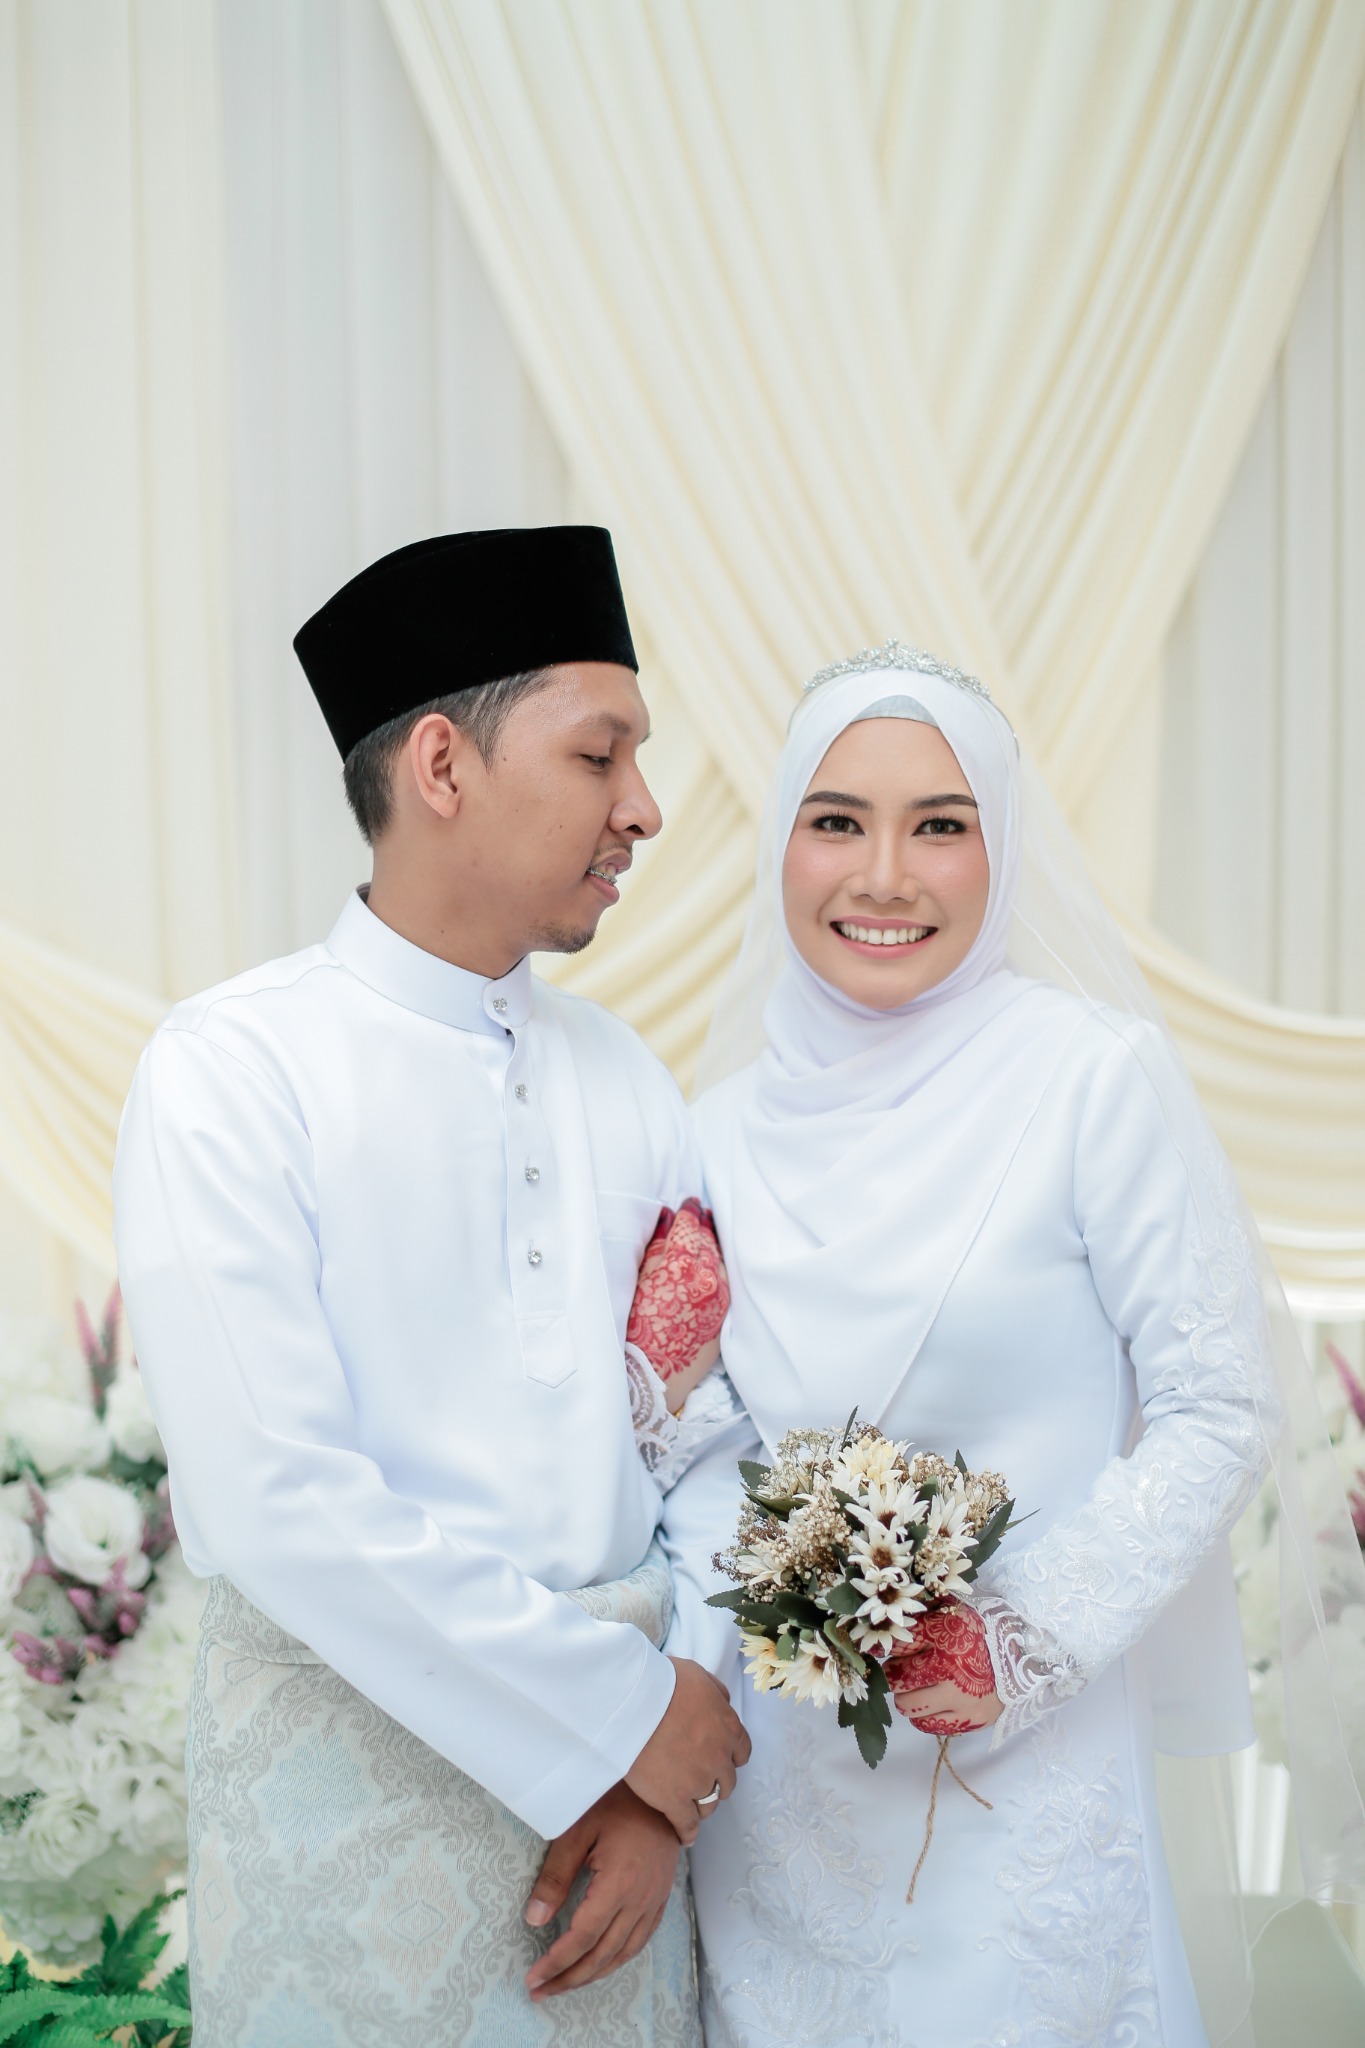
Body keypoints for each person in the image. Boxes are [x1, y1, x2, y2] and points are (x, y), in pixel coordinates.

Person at [658, 646, 1365, 2048]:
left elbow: (1222, 1402)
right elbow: (701, 1451)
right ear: (782, 839)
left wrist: (1015, 1640)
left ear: (1003, 848)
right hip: (781, 1801)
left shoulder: (1090, 1080)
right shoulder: (712, 1130)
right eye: (837, 821)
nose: (884, 877)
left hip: (1025, 1773)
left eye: (939, 825)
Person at [113, 526, 749, 2047]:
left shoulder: (628, 1077)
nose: (644, 807)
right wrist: (617, 1724)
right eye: (600, 755)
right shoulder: (231, 1071)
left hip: (629, 1825)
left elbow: (708, 1443)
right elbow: (270, 1497)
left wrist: (662, 1774)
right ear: (445, 767)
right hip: (344, 1805)